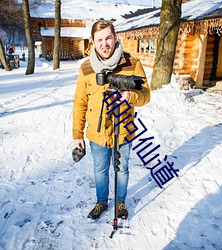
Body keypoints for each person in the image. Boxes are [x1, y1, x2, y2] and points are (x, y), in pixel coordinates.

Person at [72, 20, 150, 220]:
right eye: (100, 40)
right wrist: (77, 134)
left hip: (123, 130)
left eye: (108, 38)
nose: (104, 43)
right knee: (100, 170)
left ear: (115, 38)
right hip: (97, 133)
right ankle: (101, 202)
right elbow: (80, 102)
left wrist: (130, 96)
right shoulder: (86, 68)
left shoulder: (132, 64)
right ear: (93, 42)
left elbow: (146, 95)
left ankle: (121, 202)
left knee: (122, 168)